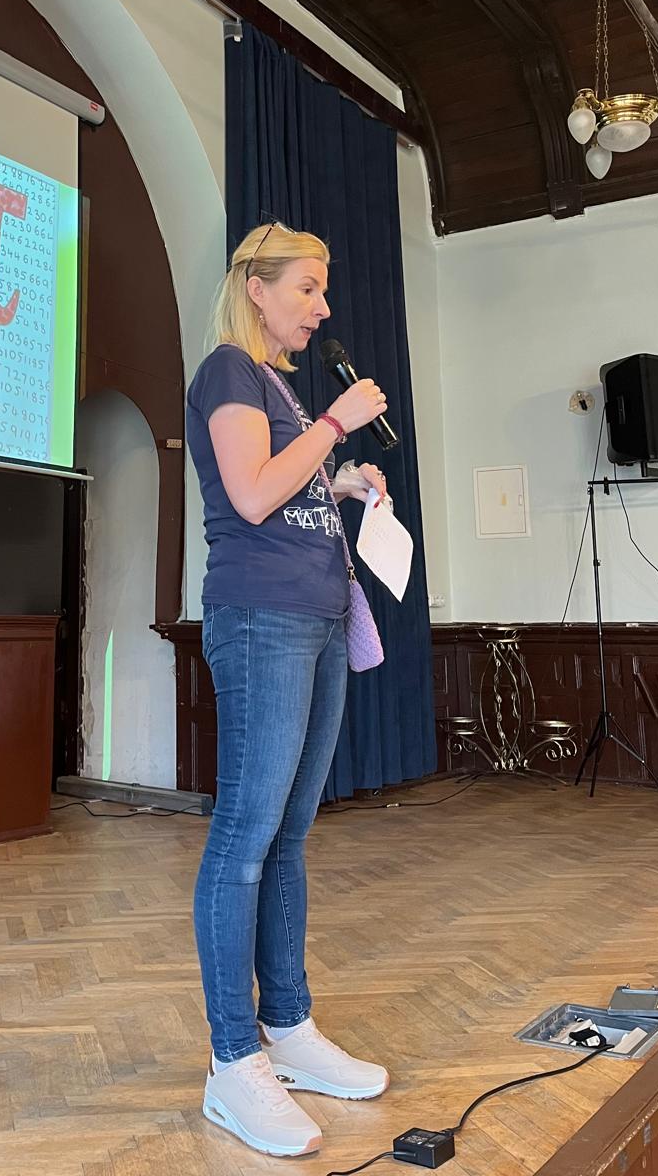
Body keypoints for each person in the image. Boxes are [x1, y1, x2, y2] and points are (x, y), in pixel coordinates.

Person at [185, 220, 392, 1159]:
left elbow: (290, 487)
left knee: (290, 837)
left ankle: (290, 1029)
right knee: (245, 837)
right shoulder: (229, 370)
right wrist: (336, 424)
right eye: (306, 287)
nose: (322, 306)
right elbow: (252, 494)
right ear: (256, 289)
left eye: (323, 288)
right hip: (262, 618)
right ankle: (234, 1062)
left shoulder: (279, 386)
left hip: (318, 616)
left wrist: (339, 486)